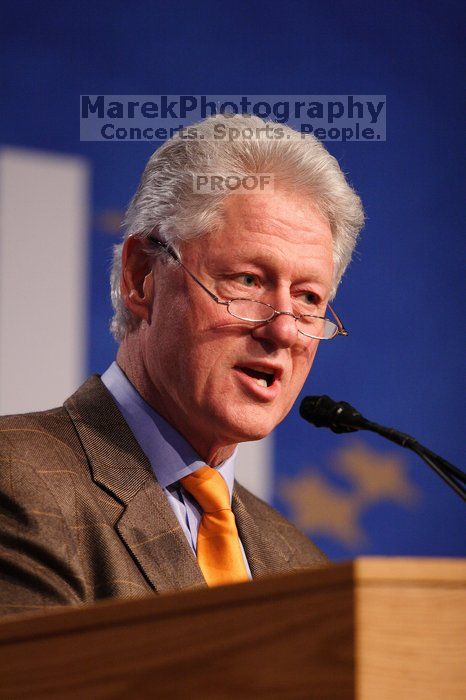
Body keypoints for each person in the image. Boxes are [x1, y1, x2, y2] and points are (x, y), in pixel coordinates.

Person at [0, 114, 364, 617]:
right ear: (142, 277)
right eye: (247, 281)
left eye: (308, 297)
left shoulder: (303, 569)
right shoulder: (18, 481)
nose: (283, 330)